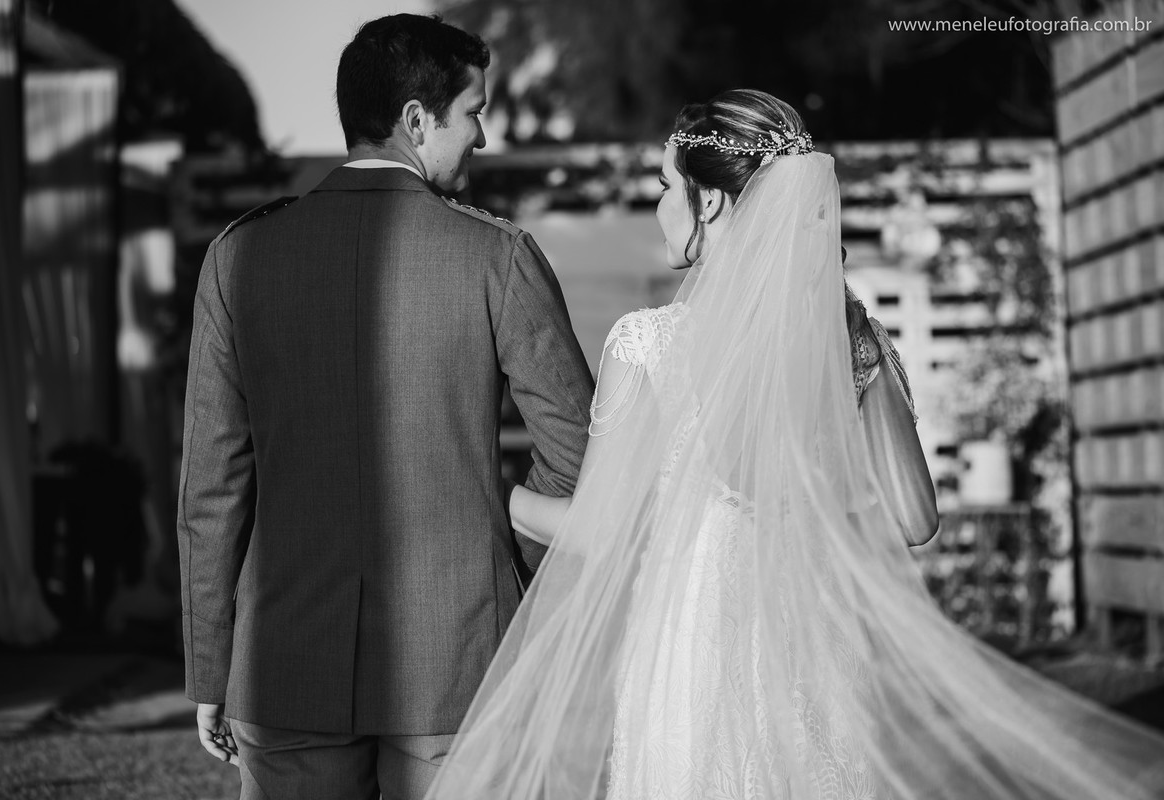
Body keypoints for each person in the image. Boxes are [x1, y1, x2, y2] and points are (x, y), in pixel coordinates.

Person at [423, 90, 1164, 800]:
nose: (659, 206)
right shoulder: (849, 337)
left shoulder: (648, 344)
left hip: (694, 659)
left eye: (665, 187)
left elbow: (599, 531)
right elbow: (916, 520)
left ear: (712, 202)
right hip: (817, 650)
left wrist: (492, 491)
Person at [176, 13, 593, 800]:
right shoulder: (497, 255)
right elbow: (578, 457)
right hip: (458, 664)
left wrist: (210, 666)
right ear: (416, 120)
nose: (483, 136)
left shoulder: (239, 255)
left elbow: (212, 487)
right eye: (473, 112)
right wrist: (496, 536)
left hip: (285, 664)